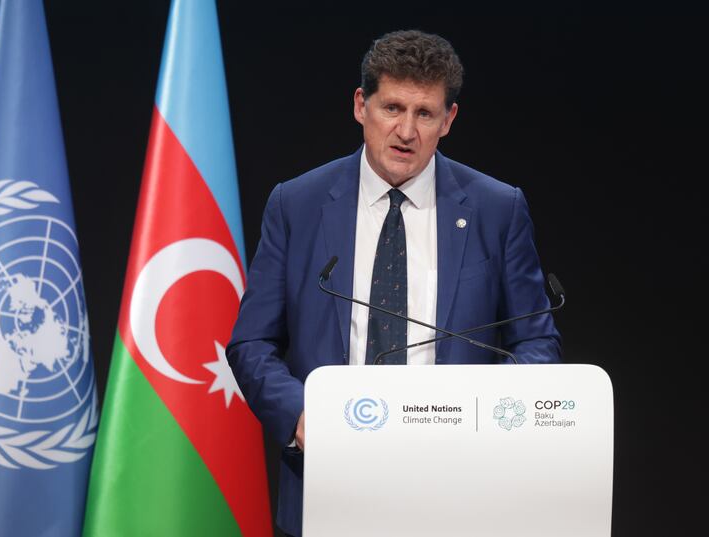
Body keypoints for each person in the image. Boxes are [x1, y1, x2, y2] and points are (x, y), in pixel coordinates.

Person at [227, 30, 561, 537]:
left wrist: (493, 419)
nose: (406, 131)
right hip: (329, 483)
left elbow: (535, 341)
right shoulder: (297, 204)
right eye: (392, 108)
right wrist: (299, 417)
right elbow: (252, 340)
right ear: (361, 106)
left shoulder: (497, 209)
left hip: (459, 489)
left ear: (448, 120)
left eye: (425, 113)